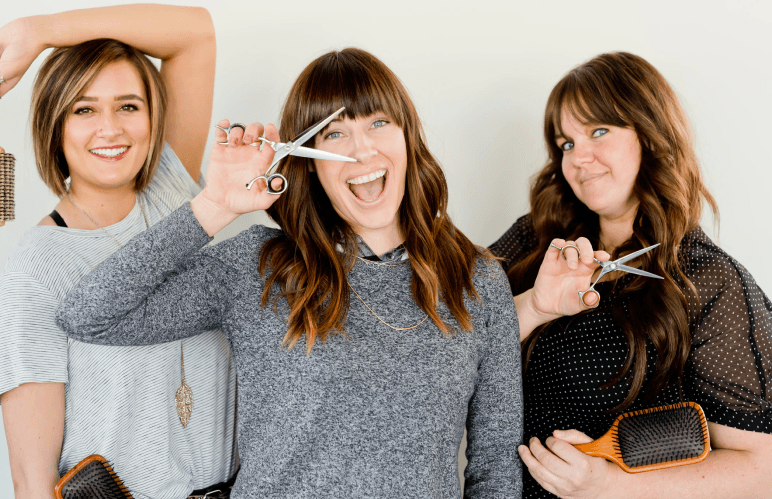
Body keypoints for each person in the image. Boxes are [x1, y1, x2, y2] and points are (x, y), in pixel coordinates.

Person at [56, 48, 523, 498]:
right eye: (335, 134)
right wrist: (213, 207)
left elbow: (496, 467)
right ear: (310, 160)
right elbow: (89, 315)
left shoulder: (476, 280)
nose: (362, 152)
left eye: (379, 123)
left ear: (407, 138)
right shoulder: (259, 266)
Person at [490, 52, 772, 499]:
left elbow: (761, 476)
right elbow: (449, 343)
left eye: (598, 131)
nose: (577, 158)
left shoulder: (709, 281)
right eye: (566, 143)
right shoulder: (535, 244)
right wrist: (533, 306)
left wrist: (606, 485)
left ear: (649, 136)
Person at [0, 5, 237, 499]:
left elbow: (195, 35)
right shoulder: (35, 274)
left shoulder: (171, 193)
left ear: (151, 117)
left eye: (129, 106)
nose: (111, 129)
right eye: (84, 109)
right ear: (56, 126)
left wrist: (39, 33)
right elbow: (32, 483)